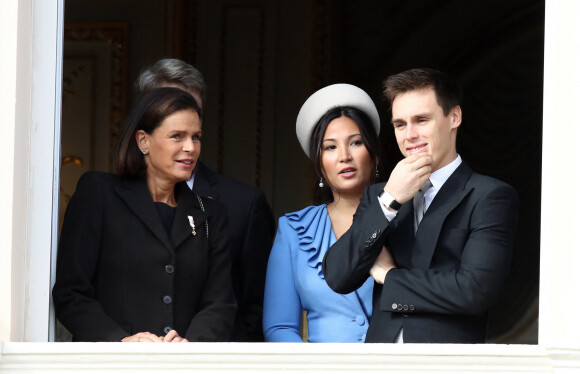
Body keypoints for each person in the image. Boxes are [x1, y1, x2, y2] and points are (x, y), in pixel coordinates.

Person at [322, 69, 519, 343]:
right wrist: (390, 200)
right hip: (379, 362)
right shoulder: (379, 197)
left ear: (454, 117)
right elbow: (338, 275)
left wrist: (389, 276)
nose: (410, 134)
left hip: (447, 363)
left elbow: (474, 291)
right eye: (400, 124)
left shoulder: (489, 196)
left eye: (421, 120)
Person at [52, 87, 236, 342]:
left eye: (196, 137)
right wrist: (120, 341)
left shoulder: (210, 213)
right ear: (143, 141)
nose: (190, 147)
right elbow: (71, 292)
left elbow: (220, 303)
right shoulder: (99, 194)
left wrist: (190, 345)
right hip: (111, 365)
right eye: (177, 136)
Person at [136, 58, 275, 341]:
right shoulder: (108, 199)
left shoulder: (243, 204)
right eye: (171, 108)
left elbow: (255, 311)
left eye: (191, 110)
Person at [263, 84, 381, 342]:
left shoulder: (402, 217)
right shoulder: (294, 229)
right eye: (330, 147)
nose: (345, 156)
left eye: (356, 142)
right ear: (318, 163)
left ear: (373, 153)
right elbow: (280, 327)